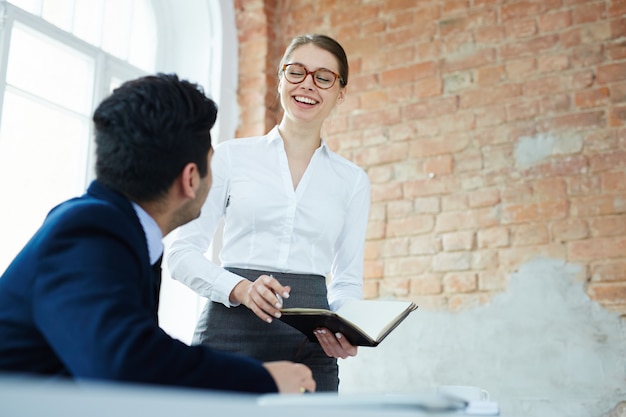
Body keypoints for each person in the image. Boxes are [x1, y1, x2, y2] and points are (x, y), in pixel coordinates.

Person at [0, 73, 315, 394]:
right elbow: (126, 362)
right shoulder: (89, 230)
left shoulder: (112, 227)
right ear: (191, 178)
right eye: (212, 163)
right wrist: (263, 379)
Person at [166, 34, 371, 391]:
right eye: (296, 72)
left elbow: (347, 280)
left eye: (323, 77)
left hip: (310, 344)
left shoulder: (352, 181)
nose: (307, 84)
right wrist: (240, 288)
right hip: (229, 331)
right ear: (280, 80)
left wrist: (344, 327)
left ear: (340, 93)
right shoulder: (230, 157)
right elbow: (181, 254)